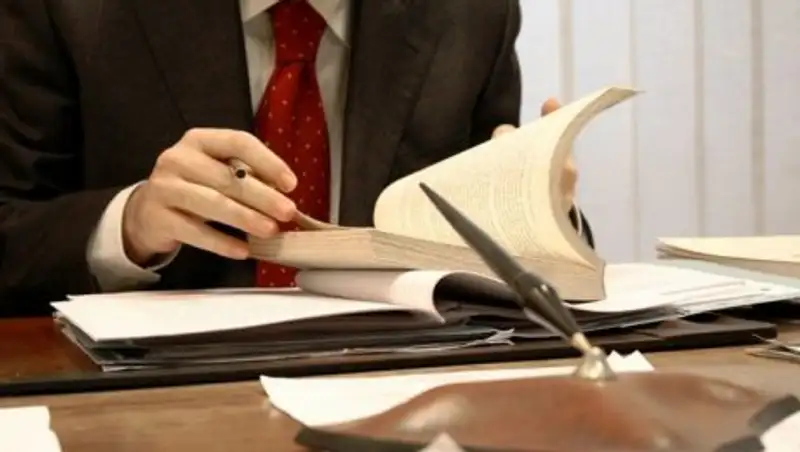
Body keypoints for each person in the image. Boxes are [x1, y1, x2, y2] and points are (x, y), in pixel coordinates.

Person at [0, 0, 592, 315]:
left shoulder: (470, 14)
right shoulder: (70, 11)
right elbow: (11, 231)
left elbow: (495, 265)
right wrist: (130, 224)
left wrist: (537, 211)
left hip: (393, 386)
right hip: (145, 400)